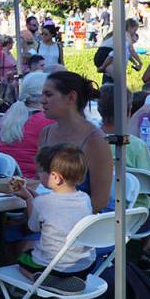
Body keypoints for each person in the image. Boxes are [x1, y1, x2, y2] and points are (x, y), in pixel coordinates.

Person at [98, 84, 150, 265]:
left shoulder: (90, 140)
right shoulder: (134, 145)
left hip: (97, 214)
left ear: (98, 109)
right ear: (128, 111)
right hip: (134, 218)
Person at [12, 145, 96, 299]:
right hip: (84, 265)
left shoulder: (42, 203)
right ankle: (64, 282)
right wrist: (35, 199)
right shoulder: (85, 198)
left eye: (41, 172)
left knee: (22, 260)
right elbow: (54, 209)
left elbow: (33, 227)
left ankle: (40, 278)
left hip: (52, 266)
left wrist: (29, 200)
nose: (38, 175)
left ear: (56, 178)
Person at [38, 71, 113, 213]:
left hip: (83, 225)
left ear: (71, 97)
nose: (42, 100)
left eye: (49, 95)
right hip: (48, 216)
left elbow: (100, 201)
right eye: (42, 95)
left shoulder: (95, 140)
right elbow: (44, 185)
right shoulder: (45, 133)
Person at [0, 72, 54, 179]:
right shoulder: (48, 122)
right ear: (45, 96)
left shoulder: (10, 115)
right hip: (34, 186)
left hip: (5, 182)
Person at [95, 17, 142, 84]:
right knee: (118, 82)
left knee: (114, 80)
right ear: (130, 28)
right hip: (105, 55)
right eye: (135, 30)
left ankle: (103, 68)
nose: (134, 32)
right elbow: (132, 51)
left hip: (100, 55)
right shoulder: (125, 34)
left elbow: (128, 54)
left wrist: (134, 62)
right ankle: (103, 67)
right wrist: (140, 62)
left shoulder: (116, 33)